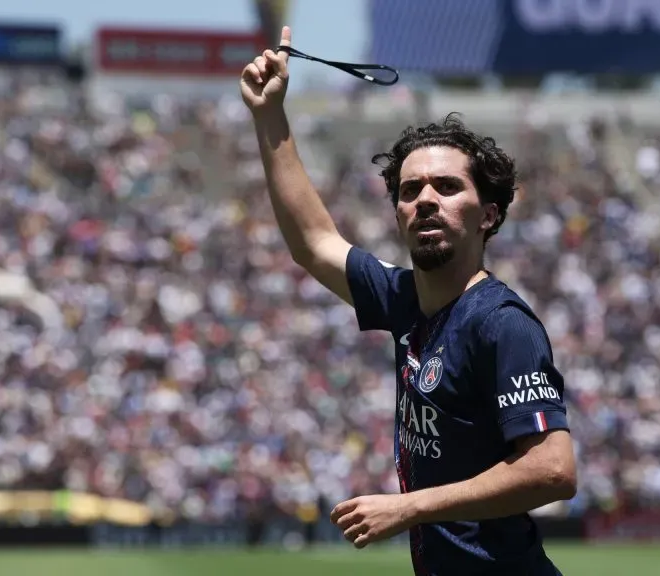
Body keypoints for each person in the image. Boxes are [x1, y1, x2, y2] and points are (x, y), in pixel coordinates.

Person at [240, 26, 577, 576]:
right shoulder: (403, 298)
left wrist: (409, 507)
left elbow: (553, 470)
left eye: (447, 187)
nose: (424, 199)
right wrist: (269, 114)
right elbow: (313, 242)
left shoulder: (502, 324)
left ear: (487, 215)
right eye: (409, 190)